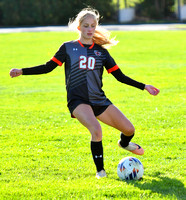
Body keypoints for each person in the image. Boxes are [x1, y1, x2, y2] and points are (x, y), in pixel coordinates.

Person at [10, 7, 160, 179]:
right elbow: (47, 67)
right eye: (86, 26)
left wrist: (144, 86)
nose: (90, 29)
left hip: (99, 100)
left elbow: (120, 77)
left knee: (129, 129)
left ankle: (124, 144)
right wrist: (22, 71)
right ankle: (100, 171)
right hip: (78, 101)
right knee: (96, 130)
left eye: (93, 26)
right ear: (79, 27)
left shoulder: (102, 52)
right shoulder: (67, 48)